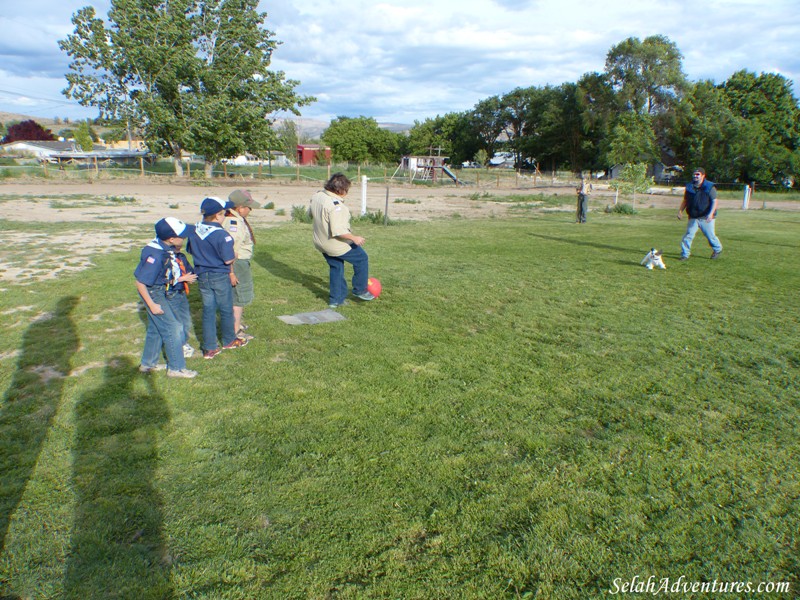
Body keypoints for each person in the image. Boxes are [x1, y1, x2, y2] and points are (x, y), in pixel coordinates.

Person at [135, 217, 198, 378]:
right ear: (171, 238)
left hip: (160, 289)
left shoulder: (164, 247)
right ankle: (176, 368)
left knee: (156, 329)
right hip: (153, 293)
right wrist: (152, 304)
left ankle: (147, 364)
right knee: (174, 327)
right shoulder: (156, 255)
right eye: (182, 236)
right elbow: (141, 283)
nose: (184, 238)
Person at [187, 197, 249, 359]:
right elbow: (228, 259)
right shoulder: (223, 235)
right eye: (223, 214)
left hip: (202, 275)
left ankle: (209, 347)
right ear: (217, 216)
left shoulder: (195, 231)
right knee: (226, 309)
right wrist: (234, 255)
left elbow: (190, 250)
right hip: (219, 275)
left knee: (208, 310)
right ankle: (228, 340)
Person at [310, 173, 374, 308]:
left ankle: (335, 300)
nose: (347, 193)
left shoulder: (317, 196)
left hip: (320, 242)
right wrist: (354, 238)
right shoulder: (337, 206)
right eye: (346, 190)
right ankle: (360, 290)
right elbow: (338, 231)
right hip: (334, 244)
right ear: (340, 190)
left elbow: (310, 214)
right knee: (362, 258)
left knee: (336, 267)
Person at [223, 189, 261, 340]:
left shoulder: (232, 218)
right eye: (249, 207)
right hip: (238, 264)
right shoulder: (234, 223)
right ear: (240, 208)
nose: (250, 210)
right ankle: (235, 331)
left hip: (238, 263)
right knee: (239, 296)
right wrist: (231, 272)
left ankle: (236, 324)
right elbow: (230, 251)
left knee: (236, 296)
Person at [677, 167, 723, 260]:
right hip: (693, 216)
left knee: (710, 236)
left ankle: (717, 249)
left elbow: (714, 201)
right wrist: (680, 211)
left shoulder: (709, 187)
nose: (695, 176)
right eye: (694, 174)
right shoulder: (689, 187)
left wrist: (710, 214)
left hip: (706, 216)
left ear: (703, 175)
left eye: (698, 174)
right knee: (688, 235)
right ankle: (685, 254)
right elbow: (685, 200)